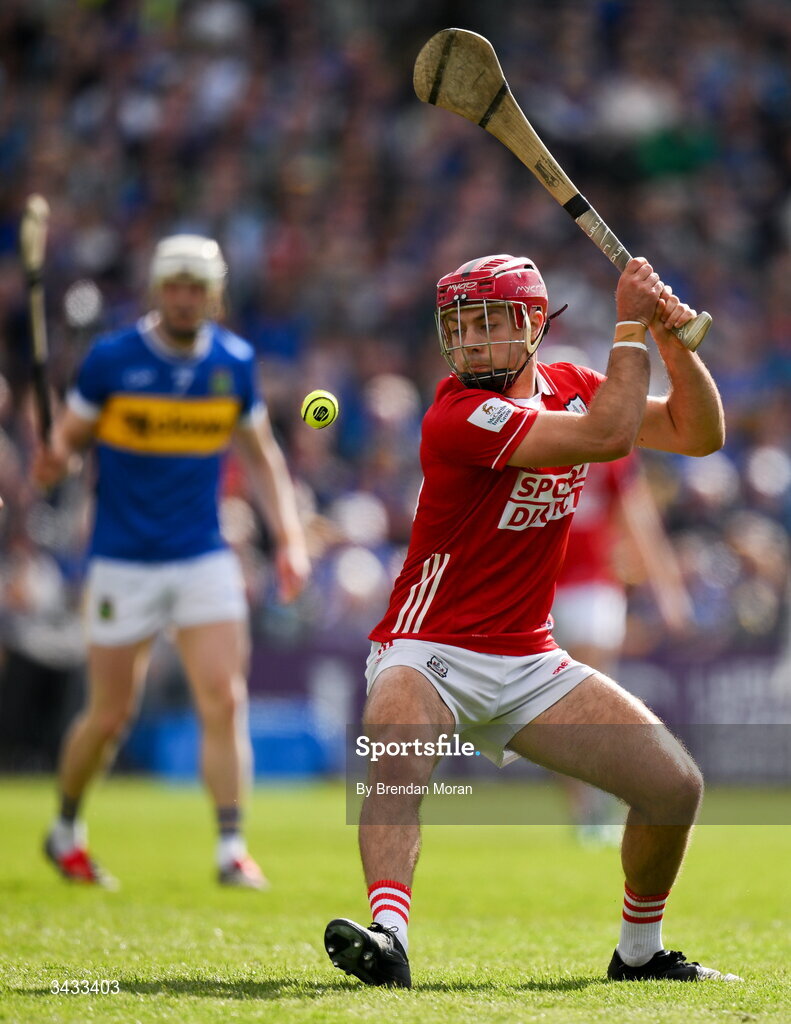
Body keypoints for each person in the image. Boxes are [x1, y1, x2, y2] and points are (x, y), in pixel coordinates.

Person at [323, 253, 741, 986]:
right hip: (426, 646)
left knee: (674, 787)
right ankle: (388, 936)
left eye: (491, 323)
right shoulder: (456, 413)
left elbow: (695, 433)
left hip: (527, 658)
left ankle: (638, 954)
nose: (475, 342)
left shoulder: (576, 385)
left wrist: (668, 339)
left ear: (533, 326)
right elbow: (602, 439)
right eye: (461, 326)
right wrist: (628, 322)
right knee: (393, 764)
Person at [33, 234, 310, 889]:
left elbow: (261, 455)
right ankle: (66, 826)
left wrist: (290, 536)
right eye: (174, 287)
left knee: (224, 698)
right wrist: (55, 460)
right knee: (109, 715)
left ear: (215, 296)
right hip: (122, 559)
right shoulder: (112, 360)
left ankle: (230, 847)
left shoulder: (234, 363)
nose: (185, 300)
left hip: (201, 555)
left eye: (197, 288)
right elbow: (68, 444)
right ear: (159, 291)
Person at [551, 452, 693, 845]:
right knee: (551, 707)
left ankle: (599, 806)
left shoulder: (611, 451)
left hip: (592, 582)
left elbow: (639, 520)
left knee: (585, 694)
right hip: (538, 582)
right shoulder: (540, 431)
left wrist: (667, 591)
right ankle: (585, 808)